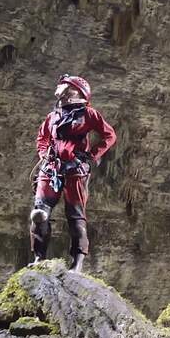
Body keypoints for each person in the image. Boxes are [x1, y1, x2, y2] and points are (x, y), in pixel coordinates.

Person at [29, 74, 116, 272]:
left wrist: (90, 156)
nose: (65, 92)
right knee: (39, 212)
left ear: (78, 92)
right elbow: (42, 137)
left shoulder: (88, 114)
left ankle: (77, 263)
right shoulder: (53, 116)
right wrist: (43, 153)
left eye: (69, 89)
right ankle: (38, 257)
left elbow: (109, 135)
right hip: (51, 169)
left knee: (75, 216)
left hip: (75, 171)